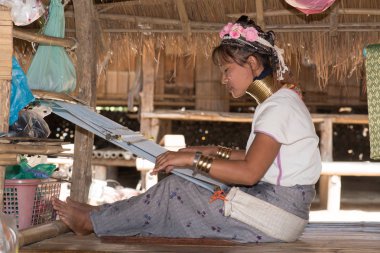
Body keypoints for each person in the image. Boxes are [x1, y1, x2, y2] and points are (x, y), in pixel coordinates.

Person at [53, 15, 321, 243]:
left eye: (227, 70)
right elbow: (261, 159)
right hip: (281, 209)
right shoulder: (281, 102)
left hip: (277, 215)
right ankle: (101, 215)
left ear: (251, 63)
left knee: (177, 191)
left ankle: (92, 221)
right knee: (187, 183)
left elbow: (251, 173)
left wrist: (193, 159)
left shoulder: (278, 108)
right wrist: (212, 151)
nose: (223, 79)